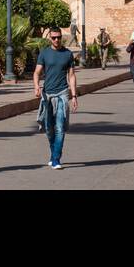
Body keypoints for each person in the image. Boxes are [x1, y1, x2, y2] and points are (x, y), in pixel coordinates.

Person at [34, 26, 79, 169]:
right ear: (50, 38)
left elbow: (71, 76)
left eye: (59, 37)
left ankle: (56, 159)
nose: (56, 40)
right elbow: (37, 73)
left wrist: (74, 96)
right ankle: (53, 153)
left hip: (62, 93)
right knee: (49, 128)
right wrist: (36, 86)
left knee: (60, 127)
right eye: (54, 37)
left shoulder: (67, 54)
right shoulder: (44, 53)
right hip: (47, 94)